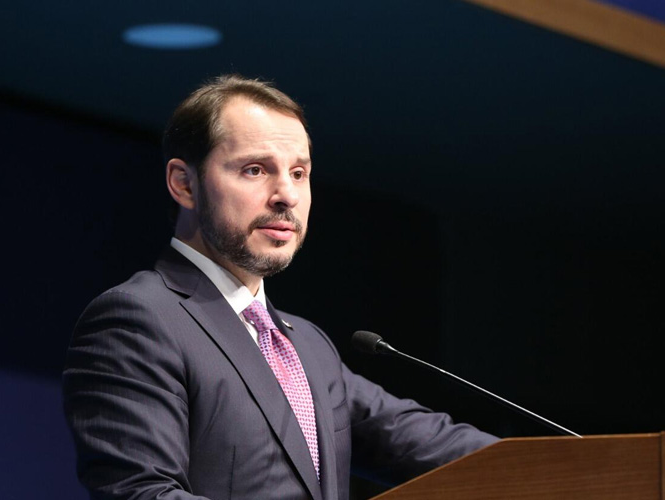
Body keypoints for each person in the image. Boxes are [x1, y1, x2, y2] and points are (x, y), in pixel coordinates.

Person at [62, 74, 497, 500]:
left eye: (299, 172)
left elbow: (421, 440)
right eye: (255, 170)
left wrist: (538, 462)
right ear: (184, 183)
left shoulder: (306, 345)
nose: (287, 195)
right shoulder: (139, 319)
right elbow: (141, 492)